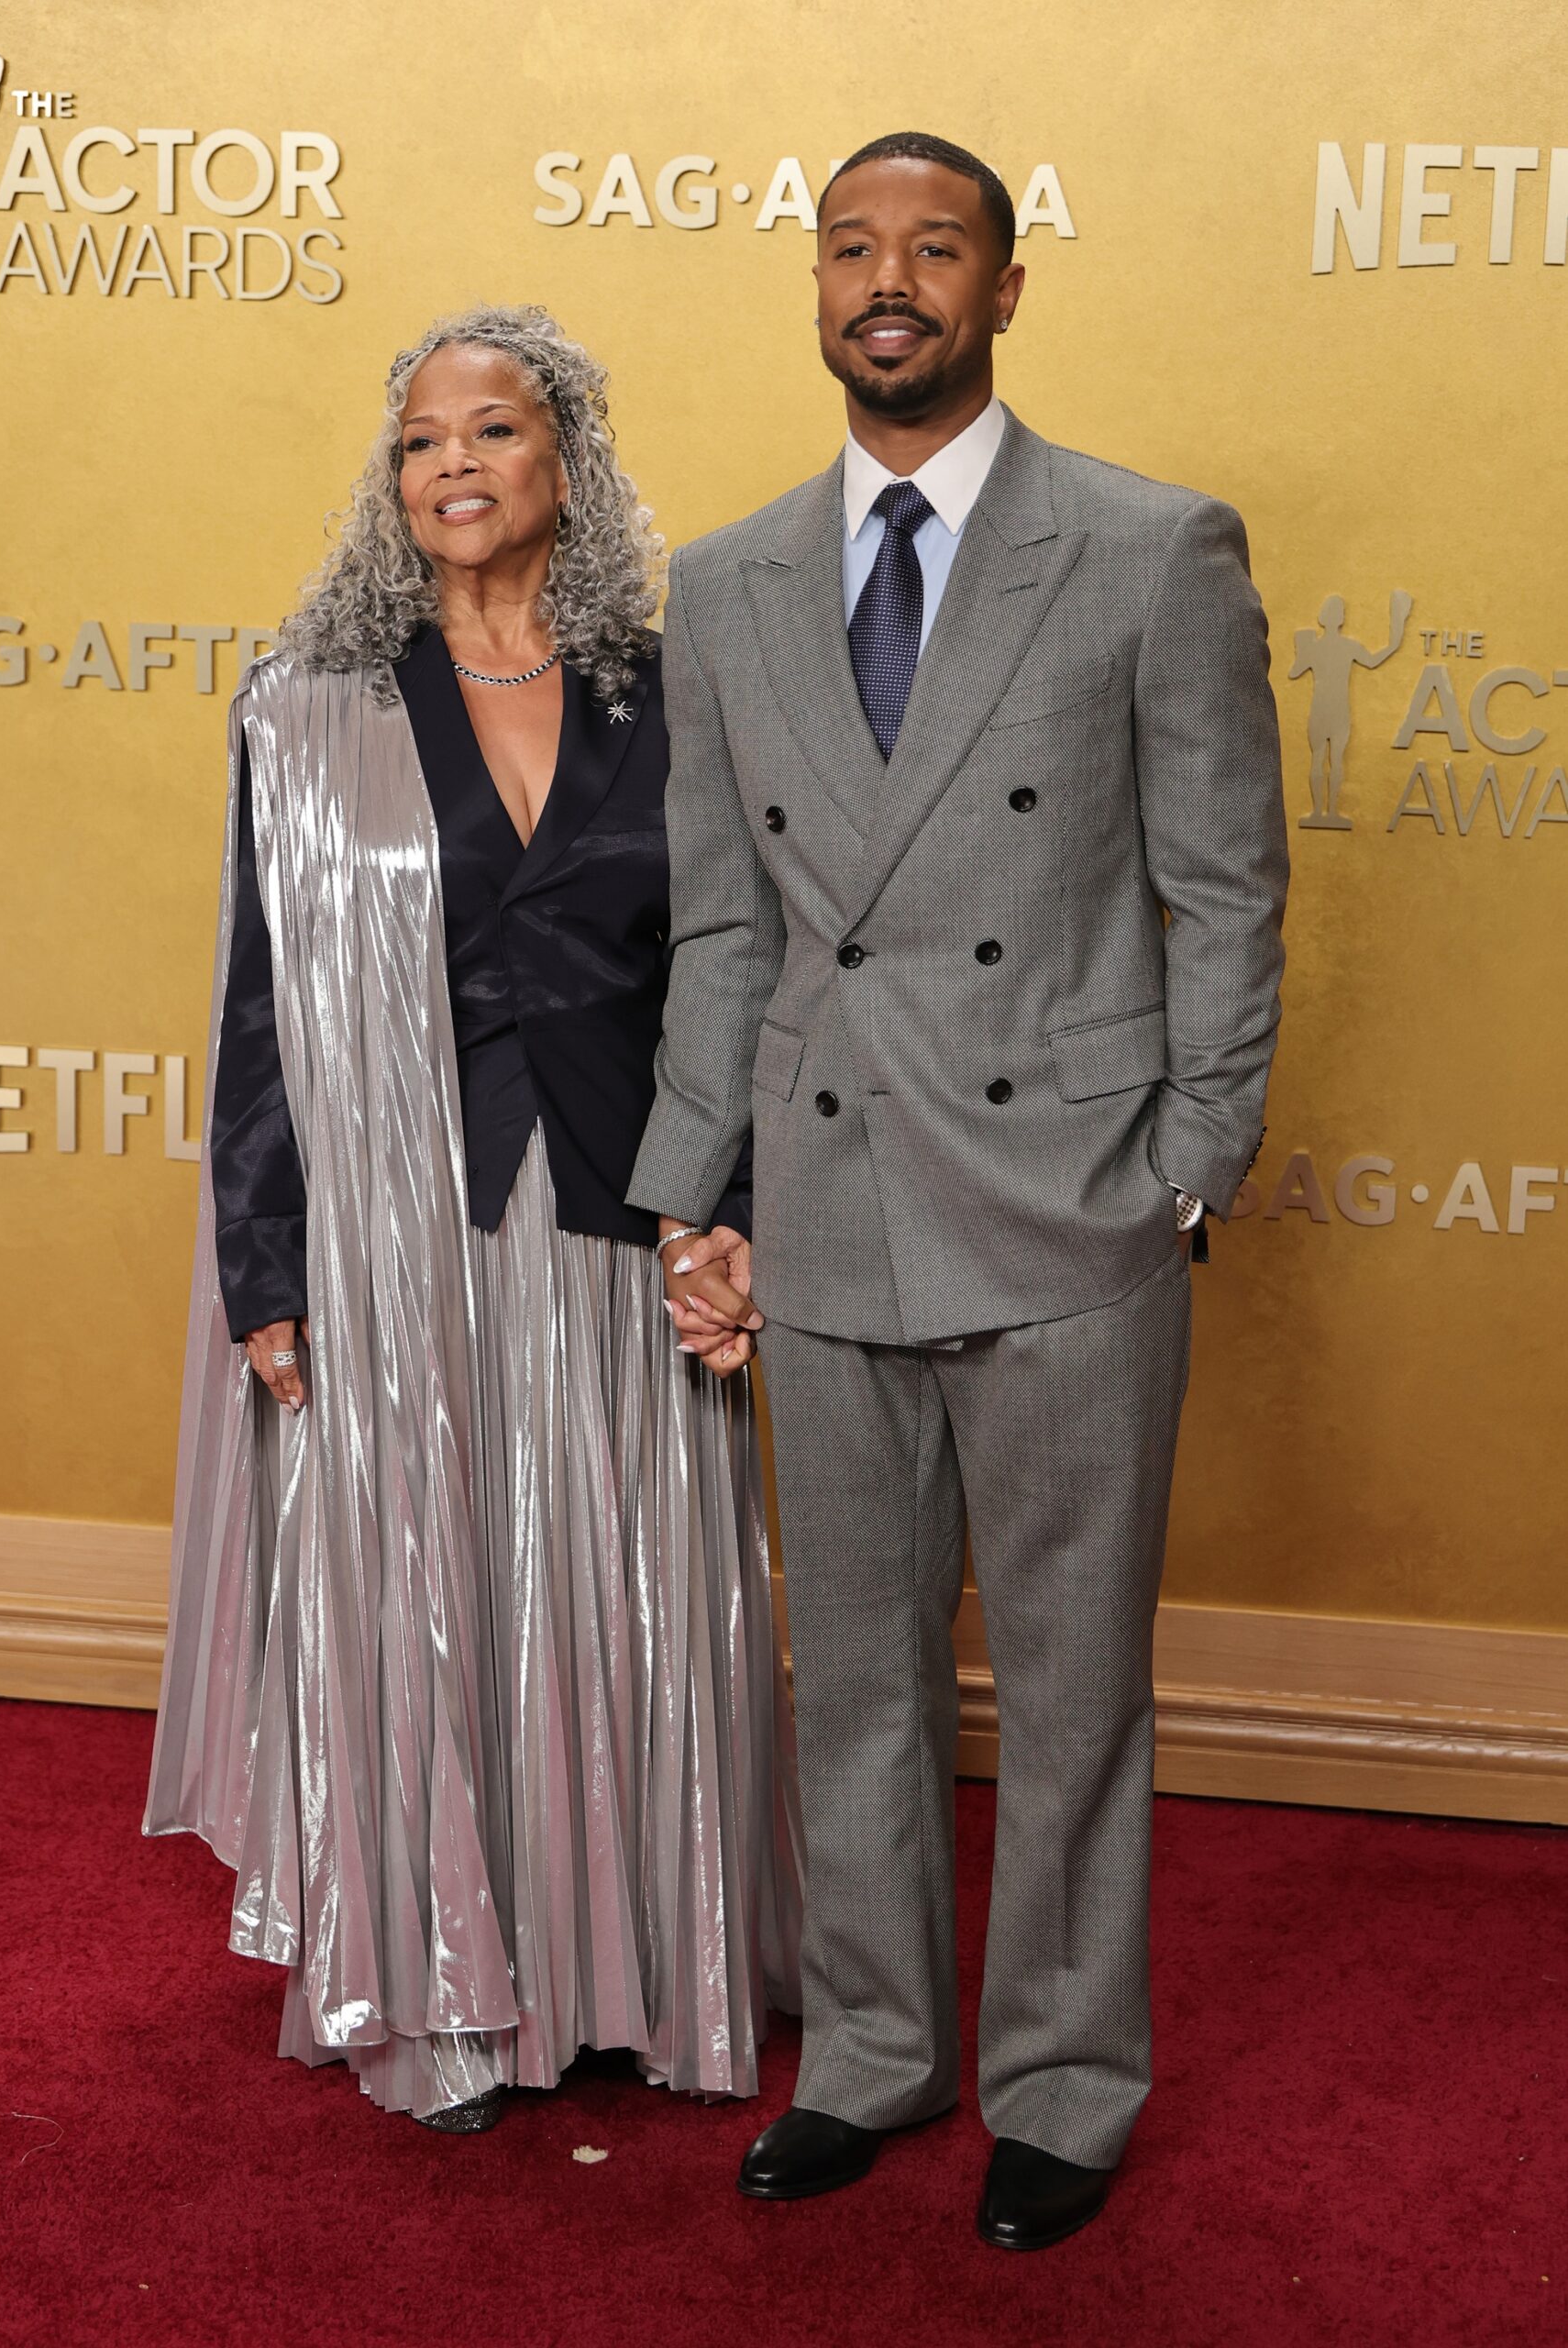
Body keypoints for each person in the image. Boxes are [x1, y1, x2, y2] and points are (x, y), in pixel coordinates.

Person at [629, 132, 1287, 2246]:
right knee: (867, 1676)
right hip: (825, 1205)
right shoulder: (727, 578)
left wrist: (1186, 1169)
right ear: (814, 292)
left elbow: (1224, 887)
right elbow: (723, 928)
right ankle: (887, 2047)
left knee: (1078, 1680)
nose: (884, 282)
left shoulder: (1147, 546)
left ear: (1007, 289)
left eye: (933, 249)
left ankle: (1070, 2081)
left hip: (1073, 1201)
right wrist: (688, 1187)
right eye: (849, 250)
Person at [144, 304, 801, 2132]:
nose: (452, 462)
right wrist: (260, 1262)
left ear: (565, 464)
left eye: (493, 430)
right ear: (392, 473)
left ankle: (627, 1976)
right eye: (421, 436)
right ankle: (428, 1990)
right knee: (418, 1591)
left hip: (628, 1208)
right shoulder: (310, 702)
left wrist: (725, 1209)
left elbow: (732, 976)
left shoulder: (669, 692)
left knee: (626, 1578)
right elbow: (261, 998)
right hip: (386, 1225)